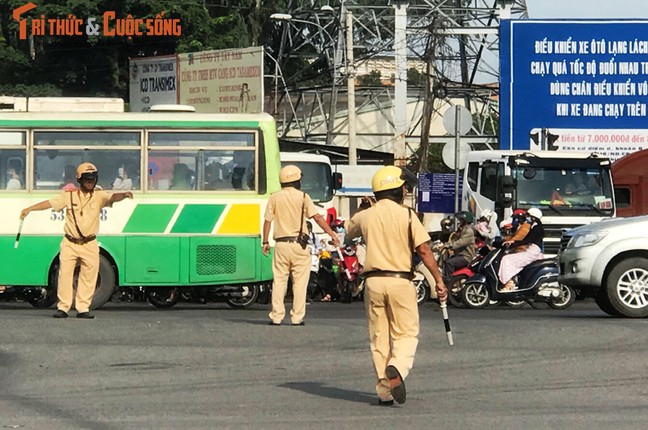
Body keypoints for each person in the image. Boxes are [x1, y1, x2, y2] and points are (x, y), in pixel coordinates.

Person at [345, 165, 447, 406]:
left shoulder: (366, 215)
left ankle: (385, 390)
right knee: (406, 332)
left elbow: (349, 232)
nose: (405, 190)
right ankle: (397, 367)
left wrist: (361, 209)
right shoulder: (408, 215)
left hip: (373, 283)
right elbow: (423, 250)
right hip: (400, 281)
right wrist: (438, 280)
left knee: (379, 337)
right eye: (403, 187)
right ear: (396, 190)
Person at [19, 162, 133, 319]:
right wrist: (30, 209)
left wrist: (124, 195)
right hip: (70, 242)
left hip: (90, 243)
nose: (90, 182)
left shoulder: (100, 196)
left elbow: (113, 197)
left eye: (93, 179)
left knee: (89, 277)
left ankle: (83, 308)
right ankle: (63, 308)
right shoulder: (69, 196)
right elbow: (50, 203)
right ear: (79, 180)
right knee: (64, 275)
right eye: (87, 179)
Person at [262, 165, 340, 326]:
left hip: (281, 245)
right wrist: (332, 233)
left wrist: (265, 241)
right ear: (296, 181)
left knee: (279, 281)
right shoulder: (303, 197)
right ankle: (297, 318)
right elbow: (317, 218)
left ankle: (276, 316)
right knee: (300, 283)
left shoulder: (274, 197)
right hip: (299, 245)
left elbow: (267, 221)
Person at [498, 207, 545, 291]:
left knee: (507, 259)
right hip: (530, 250)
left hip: (531, 251)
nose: (526, 217)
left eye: (528, 215)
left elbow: (527, 240)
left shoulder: (536, 228)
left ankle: (509, 283)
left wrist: (514, 243)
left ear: (534, 217)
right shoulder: (533, 227)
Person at [442, 211, 476, 282]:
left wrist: (448, 246)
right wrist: (445, 244)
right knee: (445, 260)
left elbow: (460, 243)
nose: (459, 222)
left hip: (466, 257)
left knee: (449, 262)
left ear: (465, 221)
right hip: (460, 255)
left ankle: (448, 282)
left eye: (461, 220)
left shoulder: (469, 231)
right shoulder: (462, 230)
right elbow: (455, 240)